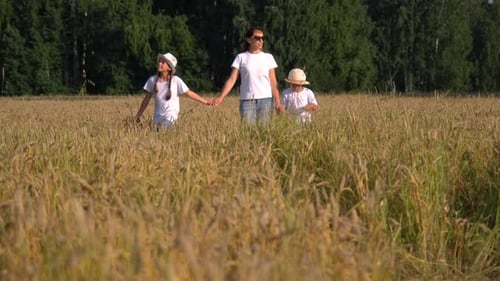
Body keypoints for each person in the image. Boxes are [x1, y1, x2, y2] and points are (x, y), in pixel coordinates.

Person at [214, 27, 285, 124]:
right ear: (249, 40)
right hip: (247, 100)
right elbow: (232, 79)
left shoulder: (268, 57)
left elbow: (273, 81)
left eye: (262, 38)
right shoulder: (241, 57)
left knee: (264, 131)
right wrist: (221, 96)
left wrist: (278, 102)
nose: (260, 41)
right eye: (257, 38)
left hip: (266, 100)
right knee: (248, 130)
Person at [134, 52, 212, 129]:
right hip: (157, 118)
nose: (159, 63)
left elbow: (189, 93)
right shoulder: (152, 80)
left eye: (163, 62)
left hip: (170, 117)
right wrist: (138, 116)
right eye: (159, 61)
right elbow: (146, 99)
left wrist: (206, 102)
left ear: (169, 68)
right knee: (158, 134)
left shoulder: (176, 81)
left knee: (164, 129)